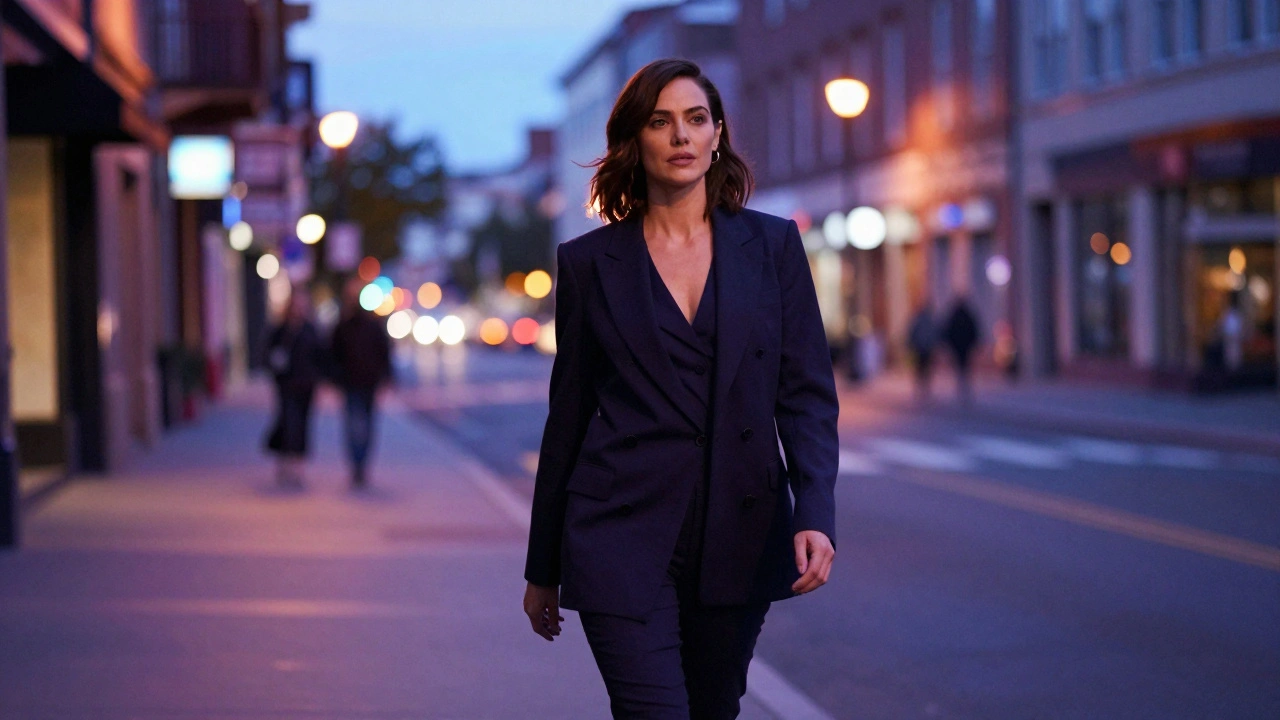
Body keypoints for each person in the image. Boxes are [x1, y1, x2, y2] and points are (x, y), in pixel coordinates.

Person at [522, 59, 839, 719]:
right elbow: (569, 416)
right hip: (619, 532)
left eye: (695, 119)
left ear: (718, 134)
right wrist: (542, 564)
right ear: (635, 140)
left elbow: (806, 393)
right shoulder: (588, 264)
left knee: (713, 708)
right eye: (660, 122)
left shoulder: (772, 246)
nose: (680, 136)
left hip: (740, 528)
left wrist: (814, 511)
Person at [330, 276, 394, 488]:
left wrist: (386, 377)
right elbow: (334, 354)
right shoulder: (343, 326)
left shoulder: (373, 326)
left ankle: (361, 464)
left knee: (365, 425)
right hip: (350, 384)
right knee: (353, 425)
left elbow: (384, 353)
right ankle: (356, 465)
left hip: (368, 384)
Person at [263, 289, 323, 488]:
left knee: (302, 424)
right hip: (286, 384)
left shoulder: (310, 330)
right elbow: (267, 353)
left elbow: (321, 355)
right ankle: (284, 460)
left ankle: (297, 465)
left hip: (306, 386)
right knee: (287, 422)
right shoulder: (281, 330)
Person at [942, 297, 980, 405]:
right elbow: (974, 330)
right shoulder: (968, 316)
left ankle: (962, 387)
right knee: (966, 367)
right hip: (966, 346)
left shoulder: (954, 316)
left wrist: (948, 344)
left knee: (960, 367)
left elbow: (948, 331)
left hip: (958, 347)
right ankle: (966, 388)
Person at [907, 303, 937, 403]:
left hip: (920, 347)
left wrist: (911, 343)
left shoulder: (918, 320)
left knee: (920, 369)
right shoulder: (929, 320)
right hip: (926, 347)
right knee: (925, 369)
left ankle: (921, 388)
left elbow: (912, 333)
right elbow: (934, 333)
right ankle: (925, 388)